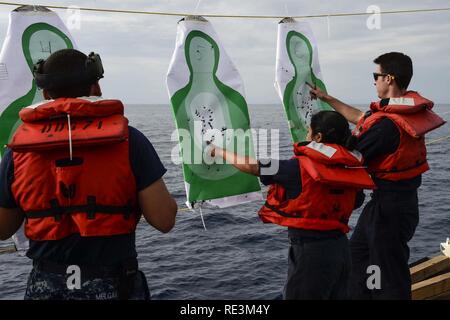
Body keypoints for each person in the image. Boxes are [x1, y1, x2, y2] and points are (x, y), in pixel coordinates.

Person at [0, 49, 178, 300]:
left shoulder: (18, 152)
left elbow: (2, 229)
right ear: (95, 88)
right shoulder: (130, 141)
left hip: (46, 286)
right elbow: (164, 220)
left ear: (46, 93)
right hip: (116, 285)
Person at [309, 52, 445, 299]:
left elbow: (349, 158)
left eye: (376, 75)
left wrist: (313, 147)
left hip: (390, 210)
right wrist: (327, 99)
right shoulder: (395, 114)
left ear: (389, 78)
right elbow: (362, 118)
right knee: (358, 256)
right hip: (388, 204)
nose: (374, 81)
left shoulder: (386, 127)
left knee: (388, 275)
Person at [210, 111, 374, 299]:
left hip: (311, 254)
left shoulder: (296, 168)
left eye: (308, 131)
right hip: (342, 250)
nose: (306, 136)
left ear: (318, 137)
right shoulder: (351, 167)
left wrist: (219, 152)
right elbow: (356, 202)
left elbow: (253, 166)